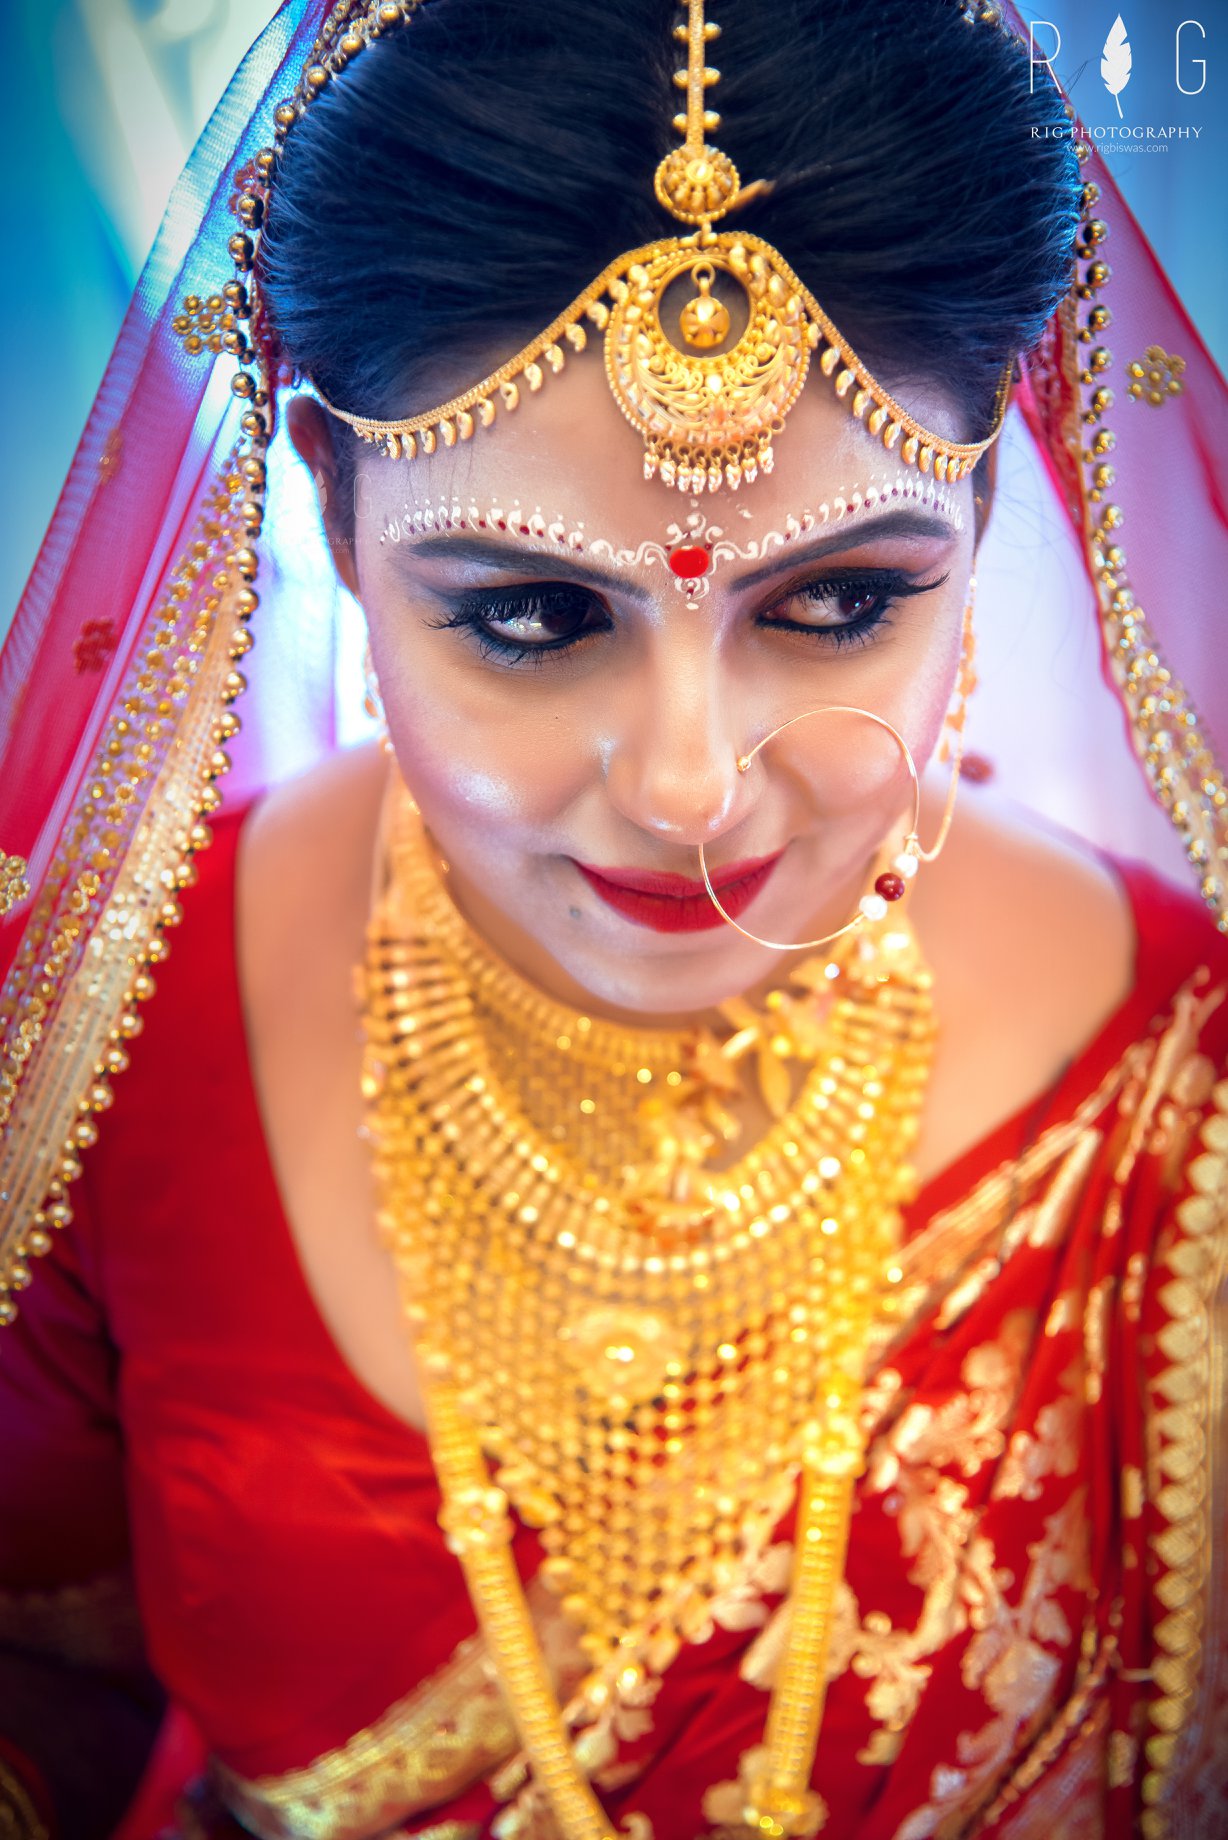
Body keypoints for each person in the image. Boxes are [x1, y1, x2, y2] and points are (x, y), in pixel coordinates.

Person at [1, 1, 1226, 1837]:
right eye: (530, 616)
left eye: (837, 606)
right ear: (332, 510)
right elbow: (50, 1678)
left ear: (983, 509)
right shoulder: (104, 1021)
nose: (687, 789)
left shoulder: (1176, 1094)